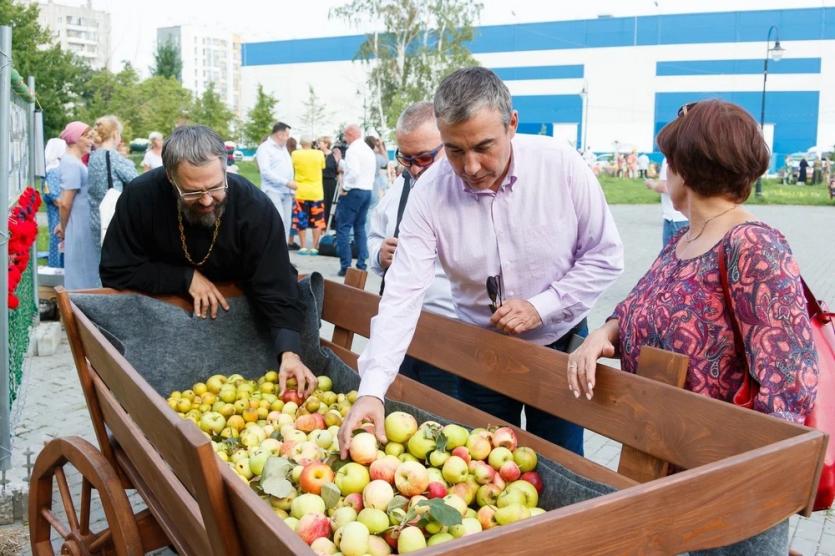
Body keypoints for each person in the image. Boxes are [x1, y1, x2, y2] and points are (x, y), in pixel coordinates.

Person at [338, 67, 624, 457]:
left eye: (483, 147)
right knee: (482, 465)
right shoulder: (430, 193)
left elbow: (604, 255)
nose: (470, 167)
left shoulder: (561, 166)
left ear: (512, 124)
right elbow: (402, 293)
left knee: (563, 464)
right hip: (481, 352)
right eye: (454, 150)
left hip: (560, 347)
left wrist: (541, 307)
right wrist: (373, 389)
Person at [568, 99, 817, 421]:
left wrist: (748, 463)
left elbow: (789, 381)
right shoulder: (684, 240)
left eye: (668, 160)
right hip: (661, 443)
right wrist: (603, 334)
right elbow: (636, 308)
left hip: (716, 456)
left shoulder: (753, 245)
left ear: (683, 169)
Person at [99, 125, 316, 394]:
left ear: (225, 169)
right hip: (159, 334)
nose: (206, 201)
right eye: (191, 192)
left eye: (215, 187)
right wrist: (183, 278)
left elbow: (275, 282)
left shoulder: (254, 207)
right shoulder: (141, 197)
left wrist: (290, 353)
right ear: (170, 178)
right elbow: (115, 269)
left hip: (236, 334)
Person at [368, 101, 459, 399]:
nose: (415, 169)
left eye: (424, 158)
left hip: (451, 337)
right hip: (402, 333)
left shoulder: (467, 189)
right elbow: (373, 237)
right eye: (406, 159)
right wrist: (379, 253)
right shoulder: (401, 187)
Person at [55, 121, 98, 290]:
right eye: (87, 137)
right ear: (74, 138)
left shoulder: (74, 162)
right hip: (79, 226)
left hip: (80, 224)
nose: (91, 141)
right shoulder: (72, 164)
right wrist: (64, 228)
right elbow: (66, 203)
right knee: (81, 270)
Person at [87, 115, 138, 253]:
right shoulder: (113, 157)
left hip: (96, 218)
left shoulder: (93, 156)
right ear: (115, 134)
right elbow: (137, 183)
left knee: (102, 262)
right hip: (113, 218)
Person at [335, 124, 376, 277]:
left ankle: (345, 265)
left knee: (343, 227)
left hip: (354, 191)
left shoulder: (352, 150)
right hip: (367, 190)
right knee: (360, 227)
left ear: (350, 134)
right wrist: (341, 162)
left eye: (345, 135)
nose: (344, 139)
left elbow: (353, 172)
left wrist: (345, 187)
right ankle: (361, 263)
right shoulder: (367, 149)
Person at [255, 122, 297, 244]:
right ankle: (273, 255)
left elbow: (287, 168)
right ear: (279, 134)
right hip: (272, 191)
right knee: (278, 222)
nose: (288, 137)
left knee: (286, 224)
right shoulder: (265, 148)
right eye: (286, 135)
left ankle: (283, 257)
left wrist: (291, 188)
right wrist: (286, 182)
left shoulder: (283, 148)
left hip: (286, 192)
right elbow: (265, 171)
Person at [291, 136, 326, 254]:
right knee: (317, 220)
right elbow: (322, 167)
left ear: (301, 144)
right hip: (316, 192)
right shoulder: (319, 154)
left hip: (300, 191)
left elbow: (293, 169)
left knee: (301, 219)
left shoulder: (295, 154)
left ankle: (303, 246)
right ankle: (315, 247)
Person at [645, 158, 689, 246]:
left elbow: (666, 187)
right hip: (684, 216)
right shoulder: (686, 155)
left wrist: (652, 184)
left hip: (675, 218)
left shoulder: (670, 158)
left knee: (671, 255)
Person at [42, 138, 67, 268]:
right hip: (58, 210)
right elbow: (52, 193)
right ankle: (57, 266)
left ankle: (58, 265)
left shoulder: (50, 168)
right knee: (57, 238)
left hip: (55, 208)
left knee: (57, 239)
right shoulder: (55, 169)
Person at [318, 136, 341, 226]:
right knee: (321, 203)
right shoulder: (318, 154)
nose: (319, 144)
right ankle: (322, 223)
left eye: (321, 142)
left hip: (331, 182)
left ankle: (331, 223)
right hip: (320, 181)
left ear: (326, 144)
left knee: (331, 203)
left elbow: (338, 170)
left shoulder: (334, 155)